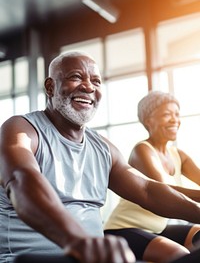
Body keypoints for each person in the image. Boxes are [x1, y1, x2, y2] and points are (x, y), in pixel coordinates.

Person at [1, 53, 200, 263]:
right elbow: (22, 180)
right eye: (76, 77)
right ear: (50, 87)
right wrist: (78, 241)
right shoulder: (21, 130)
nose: (88, 87)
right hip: (34, 258)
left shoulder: (103, 147)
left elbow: (147, 190)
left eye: (96, 81)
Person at [104, 90, 200, 262]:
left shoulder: (177, 154)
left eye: (177, 114)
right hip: (124, 229)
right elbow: (165, 192)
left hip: (158, 228)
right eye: (166, 114)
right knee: (182, 256)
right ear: (148, 120)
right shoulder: (142, 150)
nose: (174, 120)